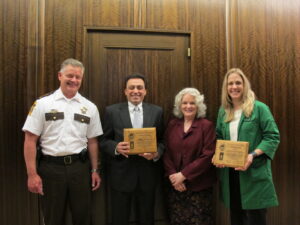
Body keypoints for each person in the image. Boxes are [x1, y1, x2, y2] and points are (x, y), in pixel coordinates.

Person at [22, 58, 103, 225]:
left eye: (78, 77)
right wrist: (32, 174)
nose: (74, 80)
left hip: (79, 168)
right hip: (51, 169)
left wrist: (95, 169)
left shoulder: (89, 107)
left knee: (83, 217)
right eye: (70, 75)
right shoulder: (42, 104)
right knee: (53, 218)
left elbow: (93, 141)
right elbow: (30, 140)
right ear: (60, 76)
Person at [214, 68, 280, 225]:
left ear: (245, 85)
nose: (234, 87)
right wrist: (218, 155)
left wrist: (252, 155)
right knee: (236, 219)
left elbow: (272, 136)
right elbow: (219, 137)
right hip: (231, 174)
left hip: (253, 172)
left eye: (238, 83)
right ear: (226, 87)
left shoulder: (259, 108)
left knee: (255, 220)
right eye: (230, 83)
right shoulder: (223, 111)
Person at [100, 74, 164, 225]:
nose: (136, 91)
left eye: (139, 87)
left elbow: (162, 140)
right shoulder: (111, 111)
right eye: (132, 88)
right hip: (121, 175)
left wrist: (156, 153)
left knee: (146, 218)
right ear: (125, 91)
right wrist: (115, 147)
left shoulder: (157, 111)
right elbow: (103, 140)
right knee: (119, 218)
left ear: (145, 91)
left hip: (147, 174)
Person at [163, 87, 216, 225]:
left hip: (198, 187)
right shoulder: (172, 124)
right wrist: (174, 176)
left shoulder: (206, 126)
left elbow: (208, 155)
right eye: (185, 103)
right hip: (175, 186)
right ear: (179, 106)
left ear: (198, 106)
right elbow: (166, 152)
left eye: (192, 103)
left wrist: (184, 175)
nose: (188, 106)